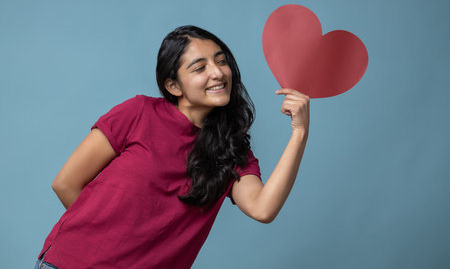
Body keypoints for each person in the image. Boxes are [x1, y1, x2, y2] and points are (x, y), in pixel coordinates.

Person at [35, 25, 310, 269]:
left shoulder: (231, 151)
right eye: (200, 68)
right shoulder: (138, 112)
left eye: (221, 61)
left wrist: (299, 133)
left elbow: (263, 209)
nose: (217, 73)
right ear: (173, 85)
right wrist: (111, 241)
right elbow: (66, 184)